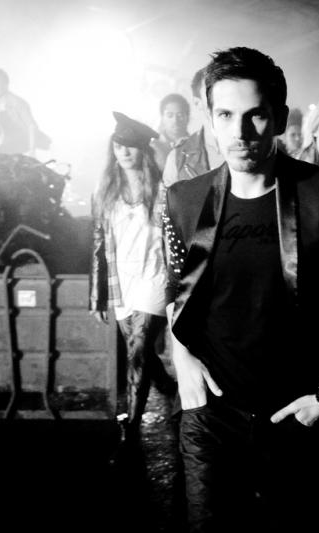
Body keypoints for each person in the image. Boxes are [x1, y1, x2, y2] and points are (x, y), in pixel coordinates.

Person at [162, 47, 319, 532]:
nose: (240, 133)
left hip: (297, 413)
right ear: (210, 118)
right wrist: (183, 361)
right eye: (225, 115)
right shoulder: (183, 200)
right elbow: (176, 291)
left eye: (255, 115)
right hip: (212, 417)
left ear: (280, 119)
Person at [90, 111, 177, 439]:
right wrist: (97, 294)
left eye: (130, 145)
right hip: (121, 281)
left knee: (137, 349)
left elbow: (174, 239)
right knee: (138, 349)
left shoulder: (162, 189)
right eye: (118, 145)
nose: (123, 152)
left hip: (154, 277)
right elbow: (98, 244)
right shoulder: (105, 191)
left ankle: (131, 428)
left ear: (143, 149)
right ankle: (166, 384)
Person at [162, 67, 225, 187]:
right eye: (210, 93)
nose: (220, 100)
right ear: (197, 102)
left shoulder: (252, 145)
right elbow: (168, 197)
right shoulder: (177, 157)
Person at [0, 68, 44, 157]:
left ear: (5, 85)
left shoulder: (18, 103)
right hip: (6, 144)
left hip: (23, 144)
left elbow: (31, 126)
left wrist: (32, 150)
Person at [151, 93, 191, 171]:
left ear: (187, 117)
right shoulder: (153, 146)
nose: (175, 120)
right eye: (170, 115)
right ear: (162, 118)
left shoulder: (198, 145)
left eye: (180, 115)